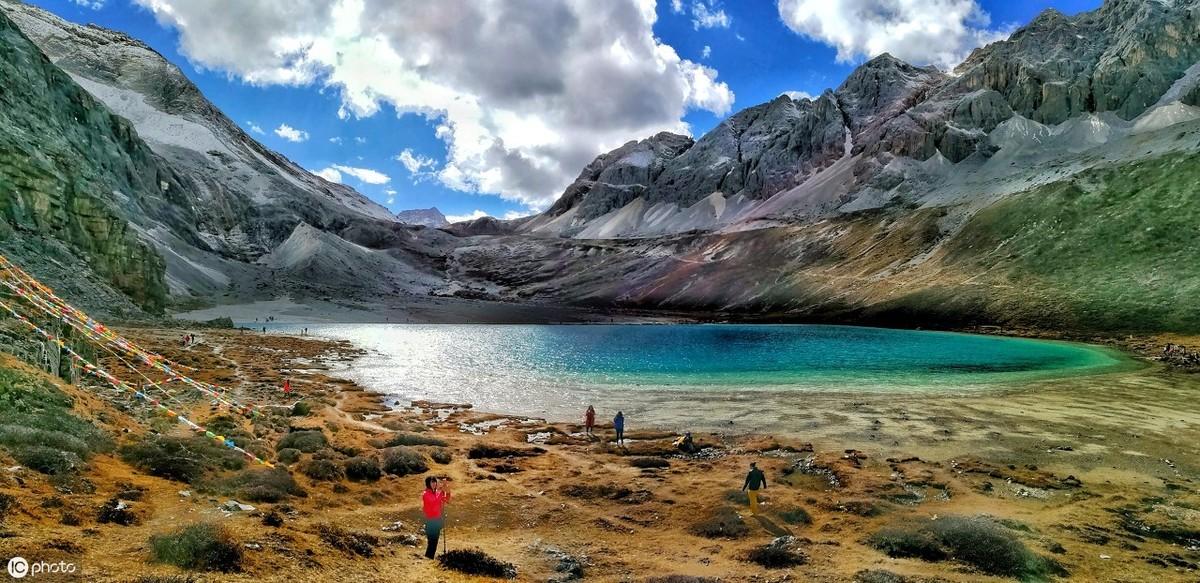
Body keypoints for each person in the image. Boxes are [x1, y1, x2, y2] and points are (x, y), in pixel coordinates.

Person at [422, 476, 451, 559]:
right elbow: (433, 501)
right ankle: (428, 558)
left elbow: (447, 500)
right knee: (431, 542)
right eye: (432, 482)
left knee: (435, 542)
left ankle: (429, 558)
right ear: (428, 483)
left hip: (437, 520)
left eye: (435, 482)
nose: (434, 484)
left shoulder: (437, 493)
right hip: (430, 520)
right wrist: (442, 490)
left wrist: (447, 490)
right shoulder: (426, 494)